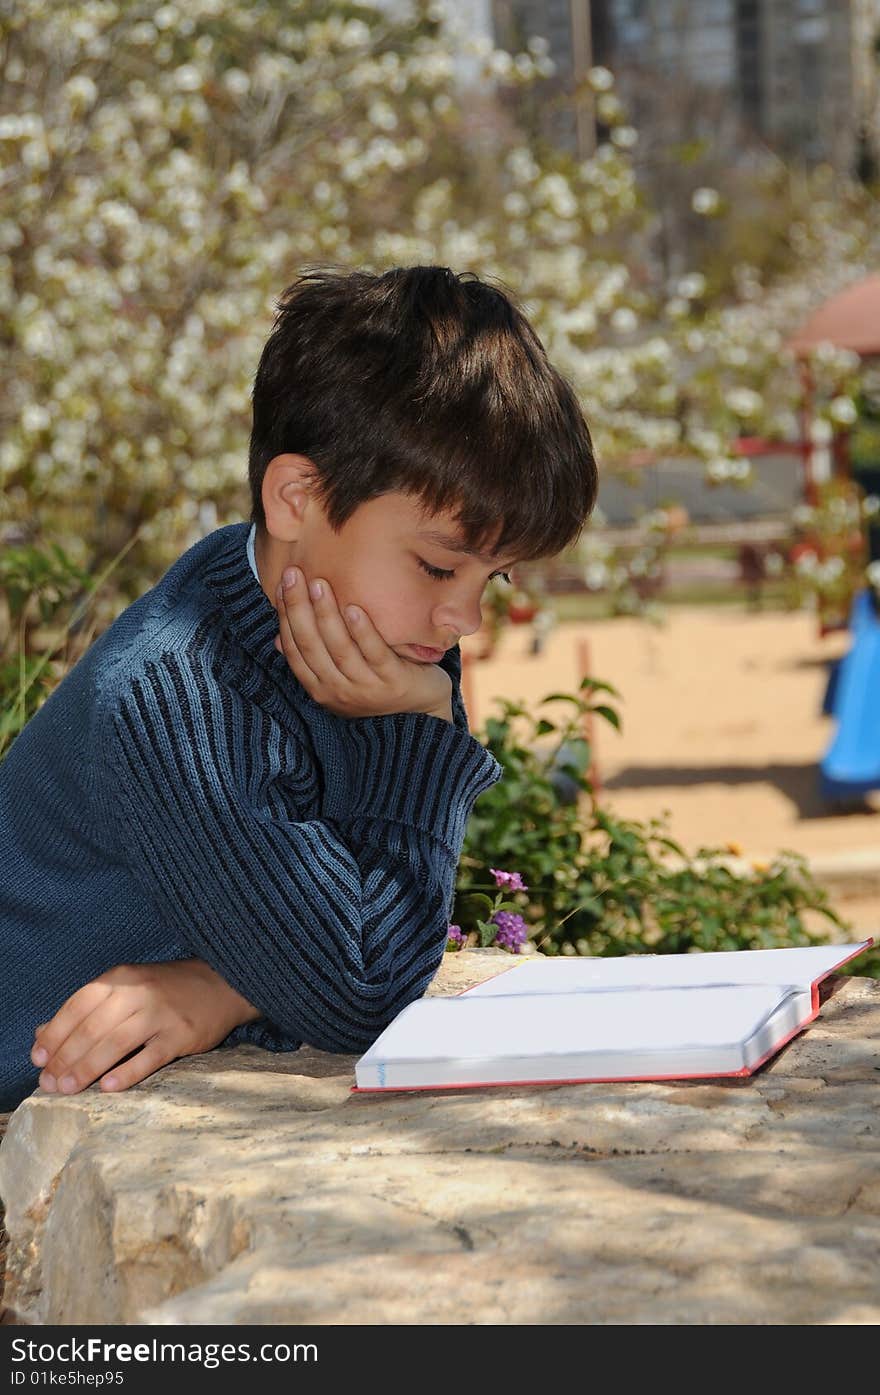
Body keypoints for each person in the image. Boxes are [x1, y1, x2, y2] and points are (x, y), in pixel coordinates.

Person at [0, 265, 597, 1111]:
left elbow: (367, 945)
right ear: (296, 497)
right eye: (438, 564)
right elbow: (363, 989)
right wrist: (418, 729)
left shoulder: (383, 630)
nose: (464, 613)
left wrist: (220, 989)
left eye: (492, 578)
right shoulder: (177, 693)